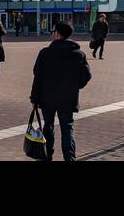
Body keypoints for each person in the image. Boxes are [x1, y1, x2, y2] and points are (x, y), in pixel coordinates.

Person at [29, 20, 91, 162]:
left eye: (53, 31)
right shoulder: (78, 54)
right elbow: (86, 76)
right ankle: (69, 158)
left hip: (47, 97)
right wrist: (74, 86)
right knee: (67, 128)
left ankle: (47, 156)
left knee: (48, 126)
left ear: (57, 34)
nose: (52, 33)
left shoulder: (45, 53)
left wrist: (34, 98)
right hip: (68, 98)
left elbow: (37, 76)